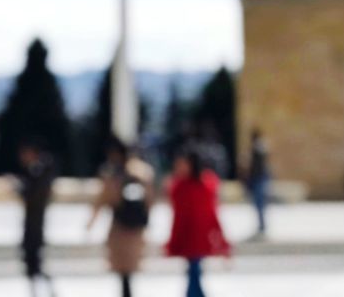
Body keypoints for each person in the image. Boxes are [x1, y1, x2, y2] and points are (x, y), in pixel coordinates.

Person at [87, 135, 155, 297]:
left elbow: (103, 199)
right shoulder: (143, 172)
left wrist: (91, 222)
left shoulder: (112, 174)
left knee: (123, 271)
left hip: (120, 228)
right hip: (135, 229)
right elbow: (150, 200)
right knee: (127, 271)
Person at [165, 146, 231, 297]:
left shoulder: (205, 184)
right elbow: (177, 217)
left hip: (199, 236)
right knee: (194, 273)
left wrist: (220, 240)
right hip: (187, 236)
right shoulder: (180, 186)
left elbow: (212, 214)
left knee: (194, 274)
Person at [16, 140, 57, 294]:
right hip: (33, 224)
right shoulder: (36, 171)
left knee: (35, 265)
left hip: (35, 225)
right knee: (32, 265)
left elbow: (34, 197)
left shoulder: (40, 172)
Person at [244, 127, 271, 238]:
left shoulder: (257, 148)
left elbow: (255, 167)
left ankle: (262, 226)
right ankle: (261, 225)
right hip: (260, 178)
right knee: (259, 204)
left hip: (259, 179)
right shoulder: (261, 147)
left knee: (259, 203)